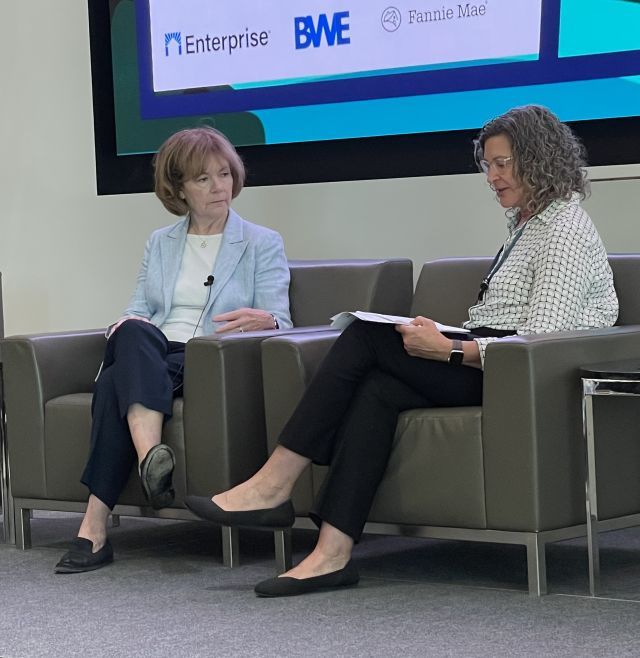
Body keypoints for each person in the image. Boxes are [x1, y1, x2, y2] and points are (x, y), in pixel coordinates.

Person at [185, 105, 619, 597]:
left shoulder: (563, 228)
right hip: (496, 359)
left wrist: (450, 350)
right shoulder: (528, 224)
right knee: (378, 388)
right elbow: (506, 326)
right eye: (488, 166)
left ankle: (274, 483)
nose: (492, 177)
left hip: (520, 377)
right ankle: (331, 553)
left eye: (502, 164)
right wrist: (447, 335)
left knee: (367, 337)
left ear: (537, 160)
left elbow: (539, 343)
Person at [55, 126, 292, 574]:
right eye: (203, 179)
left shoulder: (262, 242)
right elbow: (139, 309)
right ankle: (150, 458)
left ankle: (94, 528)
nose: (219, 186)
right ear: (178, 187)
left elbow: (282, 319)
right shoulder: (160, 242)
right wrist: (127, 324)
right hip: (156, 349)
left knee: (114, 383)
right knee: (132, 332)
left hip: (209, 356)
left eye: (224, 174)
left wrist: (268, 320)